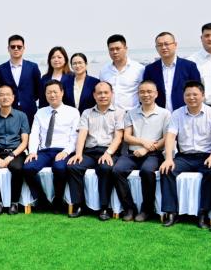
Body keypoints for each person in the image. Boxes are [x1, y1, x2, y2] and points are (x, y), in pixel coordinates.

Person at [159, 81, 211, 228]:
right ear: (183, 96)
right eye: (188, 95)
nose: (191, 97)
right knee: (167, 170)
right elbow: (170, 137)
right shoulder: (177, 114)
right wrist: (169, 158)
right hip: (185, 157)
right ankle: (172, 212)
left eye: (195, 94)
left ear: (203, 96)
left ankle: (203, 213)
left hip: (207, 156)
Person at [112, 81, 169, 221]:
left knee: (147, 171)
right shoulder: (131, 113)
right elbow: (127, 137)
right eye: (142, 92)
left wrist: (147, 148)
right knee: (117, 170)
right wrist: (143, 143)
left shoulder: (165, 113)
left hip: (154, 154)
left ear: (156, 94)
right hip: (133, 154)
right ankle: (129, 208)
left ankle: (146, 210)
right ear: (138, 94)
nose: (146, 94)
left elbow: (166, 138)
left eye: (149, 91)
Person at [66, 82, 122, 220]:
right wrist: (78, 154)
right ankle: (79, 205)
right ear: (94, 95)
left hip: (109, 151)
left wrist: (108, 153)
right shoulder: (87, 112)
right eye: (99, 93)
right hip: (90, 151)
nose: (103, 96)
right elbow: (82, 134)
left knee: (105, 168)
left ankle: (104, 208)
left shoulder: (119, 112)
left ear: (111, 94)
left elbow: (118, 137)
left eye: (106, 92)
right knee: (73, 166)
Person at [23, 81, 81, 212]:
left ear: (62, 93)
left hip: (63, 150)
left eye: (55, 92)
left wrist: (66, 152)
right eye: (49, 92)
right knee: (28, 168)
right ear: (45, 94)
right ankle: (42, 200)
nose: (52, 95)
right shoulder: (40, 112)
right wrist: (32, 152)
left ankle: (58, 200)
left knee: (60, 168)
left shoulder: (73, 112)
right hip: (44, 151)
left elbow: (75, 136)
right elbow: (34, 134)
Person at [0, 85, 30, 215]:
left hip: (16, 152)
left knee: (17, 168)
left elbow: (24, 142)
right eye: (1, 95)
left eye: (8, 94)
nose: (5, 97)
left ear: (13, 97)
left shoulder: (22, 116)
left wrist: (10, 157)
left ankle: (14, 203)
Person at [142, 31, 202, 111]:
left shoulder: (189, 66)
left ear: (175, 45)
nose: (163, 47)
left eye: (166, 44)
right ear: (156, 48)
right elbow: (146, 92)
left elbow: (198, 91)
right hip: (158, 113)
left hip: (184, 113)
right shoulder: (150, 69)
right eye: (160, 45)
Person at [0, 34, 43, 123]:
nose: (16, 49)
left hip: (30, 111)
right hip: (8, 112)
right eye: (13, 47)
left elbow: (39, 89)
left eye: (19, 47)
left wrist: (29, 100)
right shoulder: (0, 69)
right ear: (8, 48)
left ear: (23, 48)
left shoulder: (33, 67)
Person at [100, 34, 145, 111]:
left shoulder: (139, 69)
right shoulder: (104, 70)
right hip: (109, 113)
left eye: (118, 48)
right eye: (111, 49)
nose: (115, 52)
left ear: (125, 48)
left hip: (132, 113)